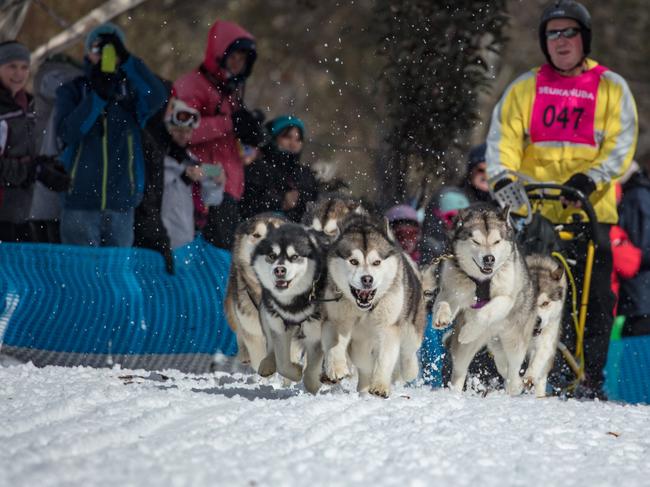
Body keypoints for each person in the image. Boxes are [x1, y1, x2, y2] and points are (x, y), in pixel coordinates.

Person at [486, 0, 638, 399]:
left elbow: (622, 144)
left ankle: (589, 377)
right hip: (536, 216)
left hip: (590, 211)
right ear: (544, 42)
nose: (561, 40)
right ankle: (510, 368)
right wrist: (505, 182)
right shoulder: (524, 88)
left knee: (599, 298)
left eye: (569, 31)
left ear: (584, 37)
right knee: (517, 290)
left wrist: (591, 179)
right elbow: (502, 142)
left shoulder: (611, 87)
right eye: (553, 33)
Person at [55, 23, 167, 247]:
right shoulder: (74, 89)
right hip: (80, 202)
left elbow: (157, 96)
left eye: (112, 50)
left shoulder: (130, 93)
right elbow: (69, 133)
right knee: (80, 275)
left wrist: (129, 62)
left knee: (114, 275)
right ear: (87, 53)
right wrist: (97, 97)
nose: (105, 55)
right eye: (98, 49)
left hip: (121, 204)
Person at [173, 19, 264, 250]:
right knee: (201, 260)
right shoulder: (192, 85)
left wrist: (253, 138)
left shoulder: (231, 95)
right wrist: (229, 123)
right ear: (219, 54)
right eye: (233, 57)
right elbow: (182, 132)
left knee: (221, 264)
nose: (237, 64)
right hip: (199, 186)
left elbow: (232, 145)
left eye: (242, 60)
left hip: (227, 189)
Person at [0, 41, 70, 242]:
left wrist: (46, 166)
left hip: (20, 212)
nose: (18, 74)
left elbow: (25, 155)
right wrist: (33, 170)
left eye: (24, 67)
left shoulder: (28, 106)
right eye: (11, 66)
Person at [239, 115, 317, 222]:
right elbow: (245, 204)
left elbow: (310, 210)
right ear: (273, 137)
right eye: (287, 137)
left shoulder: (304, 174)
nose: (293, 143)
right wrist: (280, 202)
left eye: (298, 139)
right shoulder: (254, 166)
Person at [618, 156, 650, 336]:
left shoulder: (635, 196)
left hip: (641, 298)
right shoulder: (638, 193)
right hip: (638, 297)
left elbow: (643, 246)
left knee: (637, 357)